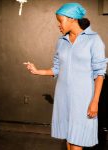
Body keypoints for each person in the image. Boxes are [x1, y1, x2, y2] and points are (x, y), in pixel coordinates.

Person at [24, 3, 107, 150]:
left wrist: (95, 101)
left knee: (76, 143)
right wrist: (37, 71)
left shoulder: (94, 40)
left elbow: (100, 73)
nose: (58, 25)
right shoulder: (61, 42)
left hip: (82, 99)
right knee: (69, 141)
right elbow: (57, 68)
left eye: (60, 21)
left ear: (72, 19)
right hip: (63, 98)